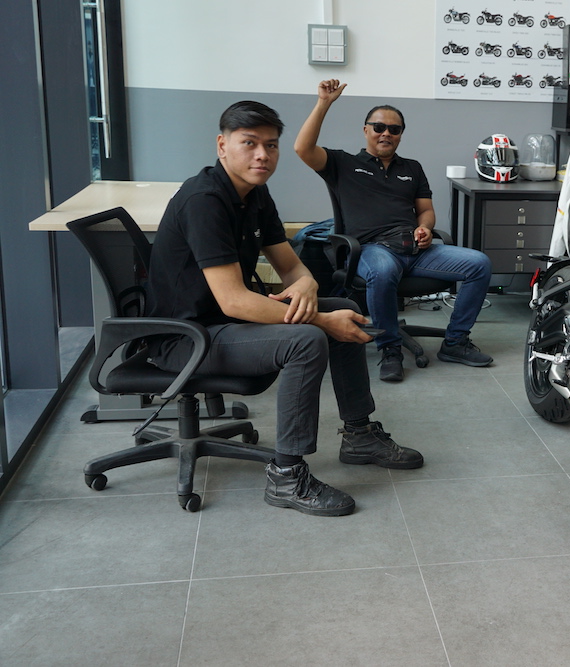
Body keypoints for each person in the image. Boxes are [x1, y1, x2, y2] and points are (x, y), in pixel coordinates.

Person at [146, 100, 423, 518]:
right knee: (307, 339)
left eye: (271, 145)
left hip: (222, 323)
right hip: (187, 337)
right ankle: (287, 476)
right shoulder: (205, 200)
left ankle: (359, 435)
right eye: (249, 143)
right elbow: (233, 299)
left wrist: (308, 285)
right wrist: (319, 319)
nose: (263, 155)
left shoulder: (255, 194)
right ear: (222, 146)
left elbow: (291, 266)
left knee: (343, 306)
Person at [294, 79, 493, 383]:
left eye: (394, 129)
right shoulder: (343, 164)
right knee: (384, 270)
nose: (386, 133)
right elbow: (302, 148)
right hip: (370, 249)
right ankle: (390, 349)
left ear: (400, 135)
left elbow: (425, 211)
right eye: (379, 127)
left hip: (415, 249)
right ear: (366, 130)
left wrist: (425, 228)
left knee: (479, 263)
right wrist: (324, 103)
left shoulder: (412, 168)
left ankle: (455, 342)